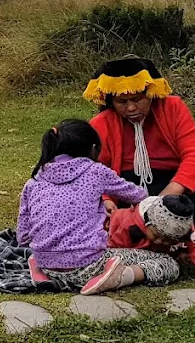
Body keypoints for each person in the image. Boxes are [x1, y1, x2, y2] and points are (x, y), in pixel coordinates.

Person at [85, 56, 195, 244]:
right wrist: (106, 198)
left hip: (175, 182)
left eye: (137, 99)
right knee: (103, 215)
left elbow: (194, 152)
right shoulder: (101, 123)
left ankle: (179, 240)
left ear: (151, 93)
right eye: (122, 102)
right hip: (125, 187)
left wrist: (173, 190)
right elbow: (95, 171)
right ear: (110, 101)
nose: (131, 108)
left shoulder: (173, 107)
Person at [17, 119, 180, 295]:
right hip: (88, 264)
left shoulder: (33, 181)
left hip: (46, 263)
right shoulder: (96, 171)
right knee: (167, 264)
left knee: (50, 255)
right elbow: (138, 195)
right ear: (93, 148)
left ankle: (41, 272)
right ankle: (118, 276)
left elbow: (23, 236)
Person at [108, 194, 195, 287]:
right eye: (156, 235)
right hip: (113, 238)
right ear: (147, 223)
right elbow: (114, 248)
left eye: (169, 240)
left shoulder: (185, 229)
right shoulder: (130, 227)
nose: (160, 241)